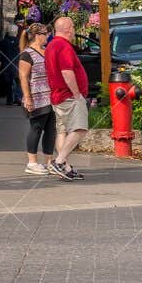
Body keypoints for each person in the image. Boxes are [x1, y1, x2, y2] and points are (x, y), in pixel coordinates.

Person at [45, 16, 90, 180]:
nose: (74, 31)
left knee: (62, 131)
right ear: (68, 28)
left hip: (57, 95)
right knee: (80, 128)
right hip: (69, 95)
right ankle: (59, 162)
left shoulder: (51, 45)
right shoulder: (63, 46)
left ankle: (65, 167)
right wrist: (77, 94)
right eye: (73, 27)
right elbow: (67, 72)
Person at [17, 24, 56, 178]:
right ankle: (32, 162)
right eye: (46, 34)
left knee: (51, 130)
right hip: (37, 98)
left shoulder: (46, 52)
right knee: (36, 128)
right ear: (37, 35)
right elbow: (23, 77)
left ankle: (49, 162)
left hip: (50, 97)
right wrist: (28, 98)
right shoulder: (26, 54)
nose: (48, 36)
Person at [0, 22, 22, 104]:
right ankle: (18, 98)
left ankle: (10, 99)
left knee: (9, 83)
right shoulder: (20, 42)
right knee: (18, 82)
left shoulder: (3, 42)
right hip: (17, 64)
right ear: (16, 31)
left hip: (6, 64)